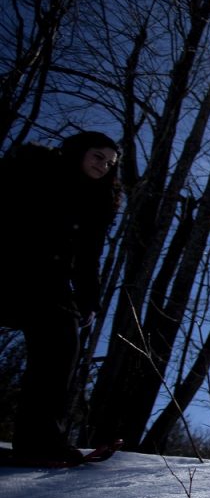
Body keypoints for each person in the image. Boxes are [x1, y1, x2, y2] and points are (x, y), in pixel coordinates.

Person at [0, 131, 121, 464]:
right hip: (9, 269)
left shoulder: (97, 203)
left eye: (110, 163)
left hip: (48, 283)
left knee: (61, 341)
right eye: (98, 156)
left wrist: (88, 302)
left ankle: (38, 441)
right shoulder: (35, 172)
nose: (103, 166)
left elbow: (88, 257)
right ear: (79, 152)